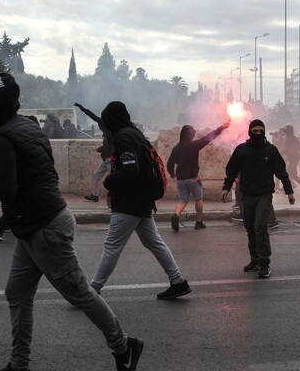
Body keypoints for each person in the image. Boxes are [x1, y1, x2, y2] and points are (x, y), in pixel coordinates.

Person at [0, 74, 143, 371]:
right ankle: (19, 363)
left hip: (43, 227)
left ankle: (123, 344)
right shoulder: (26, 125)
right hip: (38, 222)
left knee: (79, 293)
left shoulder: (1, 138)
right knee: (17, 292)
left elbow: (8, 187)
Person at [90, 100, 191, 300]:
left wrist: (109, 181)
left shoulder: (123, 138)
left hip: (130, 201)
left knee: (112, 246)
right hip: (141, 199)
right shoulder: (136, 134)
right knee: (153, 242)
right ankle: (178, 281)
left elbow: (130, 168)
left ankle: (92, 290)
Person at [221, 119, 295, 279]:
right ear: (250, 131)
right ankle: (254, 259)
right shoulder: (241, 150)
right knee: (250, 228)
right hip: (247, 195)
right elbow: (232, 169)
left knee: (260, 226)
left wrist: (289, 191)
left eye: (261, 130)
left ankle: (264, 263)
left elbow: (281, 171)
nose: (258, 133)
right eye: (255, 131)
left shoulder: (271, 150)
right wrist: (226, 187)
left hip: (264, 194)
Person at [167, 120, 230, 231]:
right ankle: (199, 222)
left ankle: (176, 215)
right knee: (198, 198)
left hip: (180, 179)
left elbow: (170, 163)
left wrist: (172, 173)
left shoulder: (176, 148)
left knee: (182, 200)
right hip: (193, 178)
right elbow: (209, 137)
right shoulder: (194, 145)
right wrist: (222, 127)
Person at [74, 102, 113, 202]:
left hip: (110, 158)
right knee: (96, 175)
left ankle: (113, 196)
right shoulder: (107, 130)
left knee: (112, 177)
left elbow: (110, 147)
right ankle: (95, 195)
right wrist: (82, 108)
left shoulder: (109, 131)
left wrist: (101, 149)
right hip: (105, 158)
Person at [283, 125, 300, 195]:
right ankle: (290, 187)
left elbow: (288, 149)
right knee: (290, 173)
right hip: (295, 157)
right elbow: (298, 148)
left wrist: (281, 152)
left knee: (291, 174)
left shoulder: (289, 139)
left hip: (293, 158)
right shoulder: (294, 138)